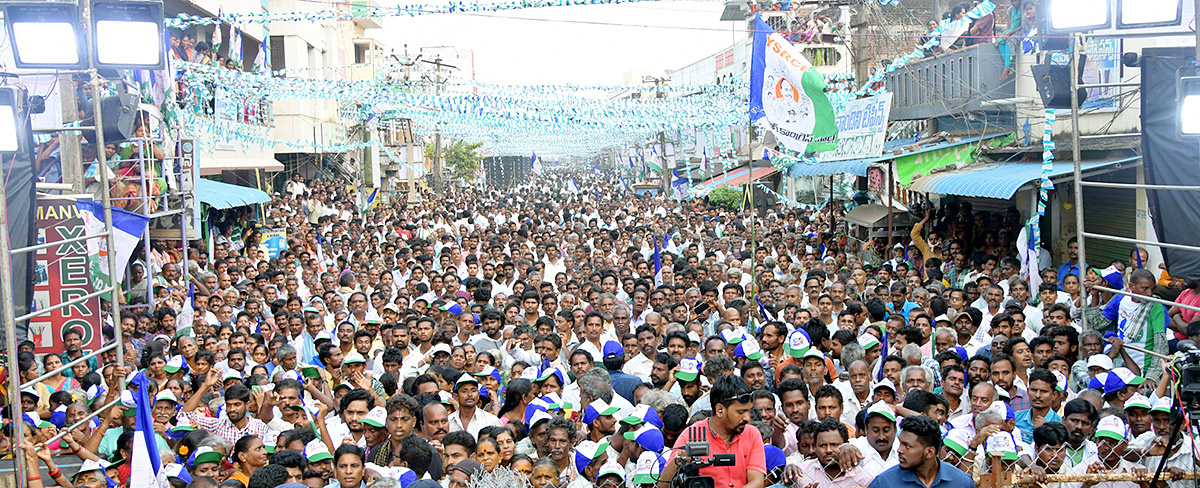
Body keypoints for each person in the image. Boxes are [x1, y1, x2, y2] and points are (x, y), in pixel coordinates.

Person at [657, 375, 766, 488]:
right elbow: (663, 485)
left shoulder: (752, 434)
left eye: (748, 411)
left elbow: (757, 482)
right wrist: (679, 460)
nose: (747, 418)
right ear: (720, 410)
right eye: (741, 412)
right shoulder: (692, 435)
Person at [866, 415, 976, 488]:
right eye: (900, 443)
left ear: (929, 452)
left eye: (907, 446)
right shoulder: (884, 484)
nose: (899, 450)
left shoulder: (962, 483)